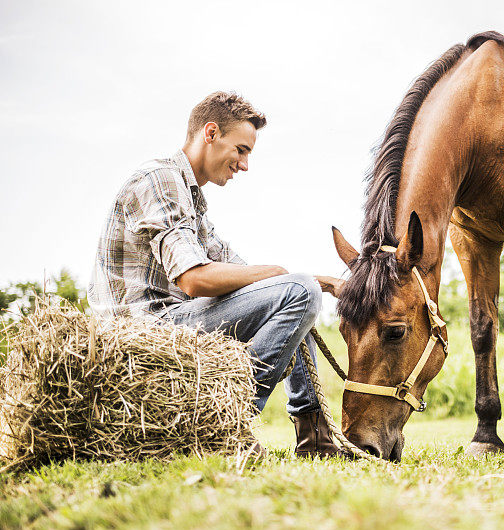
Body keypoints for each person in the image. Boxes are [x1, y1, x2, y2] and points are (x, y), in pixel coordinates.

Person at [88, 91, 342, 458]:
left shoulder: (191, 200)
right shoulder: (160, 179)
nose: (244, 165)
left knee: (300, 292)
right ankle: (225, 424)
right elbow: (194, 279)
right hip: (142, 333)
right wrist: (288, 280)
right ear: (211, 133)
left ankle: (314, 436)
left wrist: (327, 282)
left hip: (172, 323)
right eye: (241, 149)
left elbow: (252, 278)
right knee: (298, 293)